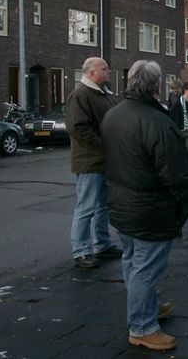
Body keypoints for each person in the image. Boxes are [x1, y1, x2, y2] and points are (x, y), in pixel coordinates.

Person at [102, 60, 188, 352]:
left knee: (132, 261)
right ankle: (142, 327)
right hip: (150, 208)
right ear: (156, 86)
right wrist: (184, 201)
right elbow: (175, 173)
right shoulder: (157, 122)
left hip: (121, 203)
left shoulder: (113, 115)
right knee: (146, 268)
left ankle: (147, 308)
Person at [66, 57, 120, 270]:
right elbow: (78, 128)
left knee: (102, 206)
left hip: (104, 161)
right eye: (104, 68)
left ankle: (102, 245)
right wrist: (103, 146)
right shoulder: (80, 95)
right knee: (86, 207)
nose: (108, 71)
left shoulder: (103, 94)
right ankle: (80, 250)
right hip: (89, 162)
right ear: (91, 73)